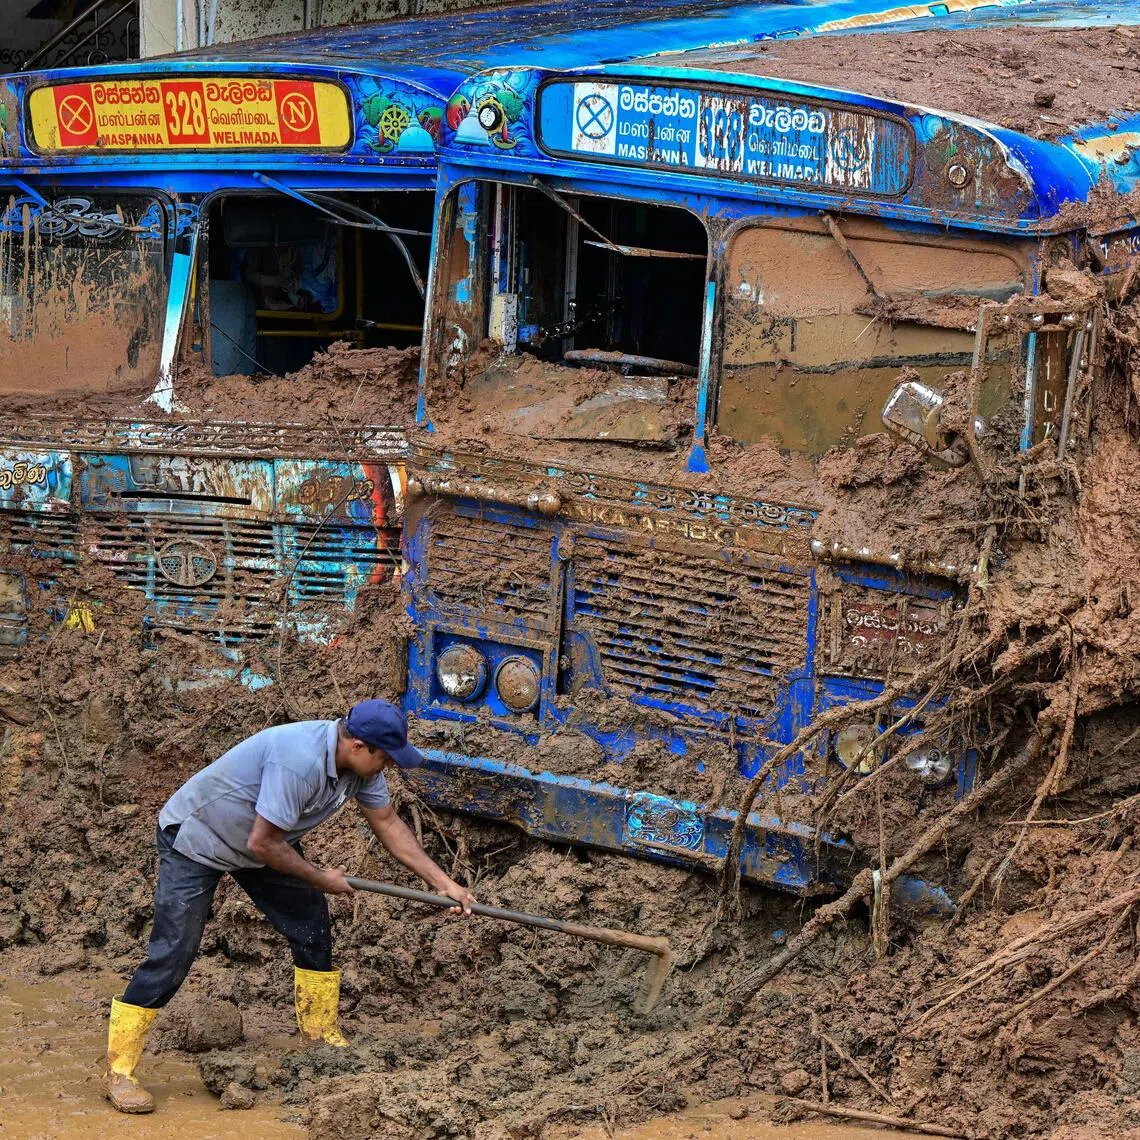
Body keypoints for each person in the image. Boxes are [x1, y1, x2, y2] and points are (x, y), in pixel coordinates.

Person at [103, 699, 474, 1114]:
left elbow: (387, 823)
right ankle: (120, 1070)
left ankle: (320, 1035)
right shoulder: (298, 762)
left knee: (311, 925)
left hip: (262, 843)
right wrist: (321, 878)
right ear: (357, 746)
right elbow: (263, 843)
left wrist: (444, 883)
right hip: (199, 839)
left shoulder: (361, 768)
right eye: (386, 757)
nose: (389, 765)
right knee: (174, 952)